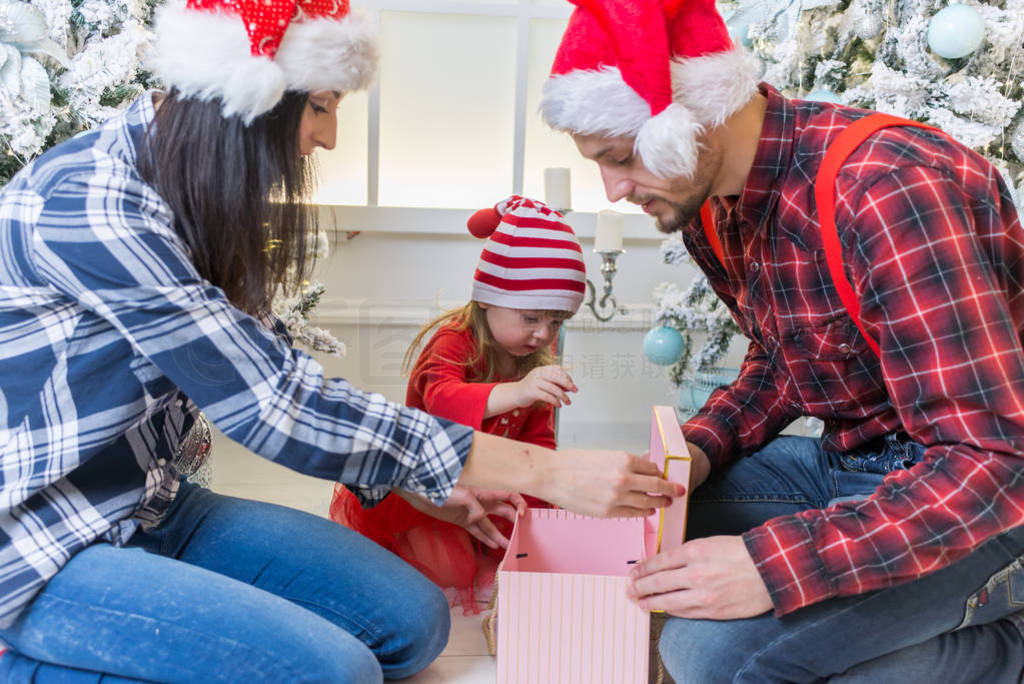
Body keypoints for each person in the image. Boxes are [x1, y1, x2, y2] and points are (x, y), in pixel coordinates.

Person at [0, 0, 683, 681]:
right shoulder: (94, 207)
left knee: (414, 623)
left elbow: (275, 366)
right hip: (40, 537)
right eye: (322, 107)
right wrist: (549, 474)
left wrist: (414, 483)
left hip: (150, 504)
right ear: (252, 100)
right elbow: (274, 404)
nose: (326, 139)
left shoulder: (192, 192)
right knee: (339, 672)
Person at [540, 0, 1024, 681]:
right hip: (851, 470)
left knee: (706, 653)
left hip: (989, 499)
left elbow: (991, 458)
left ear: (697, 120)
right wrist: (695, 457)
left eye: (622, 158)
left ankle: (1004, 646)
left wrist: (777, 567)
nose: (614, 189)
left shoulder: (885, 189)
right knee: (640, 519)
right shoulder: (709, 207)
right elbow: (782, 362)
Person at [330, 195, 584, 612]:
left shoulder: (535, 361)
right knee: (448, 570)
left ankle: (499, 560)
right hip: (432, 485)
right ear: (487, 297)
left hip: (494, 483)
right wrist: (519, 391)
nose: (543, 334)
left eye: (556, 321)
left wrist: (539, 514)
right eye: (531, 318)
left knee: (519, 540)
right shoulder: (454, 341)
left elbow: (538, 443)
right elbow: (444, 402)